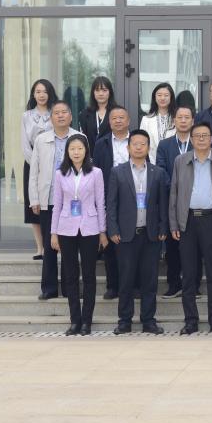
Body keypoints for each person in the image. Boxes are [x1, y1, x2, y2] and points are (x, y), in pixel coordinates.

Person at [170, 121, 212, 336]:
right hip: (187, 221)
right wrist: (174, 223)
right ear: (191, 138)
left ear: (211, 138)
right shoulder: (181, 161)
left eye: (205, 135)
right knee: (188, 274)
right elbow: (174, 194)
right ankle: (191, 320)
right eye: (197, 135)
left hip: (211, 220)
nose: (200, 139)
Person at [105, 129, 169, 335]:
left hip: (151, 235)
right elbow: (111, 204)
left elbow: (163, 203)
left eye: (143, 144)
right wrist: (112, 229)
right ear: (128, 147)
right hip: (125, 235)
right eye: (135, 144)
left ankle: (148, 320)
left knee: (149, 281)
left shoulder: (158, 172)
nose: (139, 147)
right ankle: (124, 321)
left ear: (148, 148)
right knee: (126, 280)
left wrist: (163, 227)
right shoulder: (118, 172)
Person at [49, 134, 107, 336]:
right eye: (72, 149)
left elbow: (100, 203)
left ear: (86, 151)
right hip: (66, 228)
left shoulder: (96, 173)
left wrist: (102, 231)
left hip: (90, 228)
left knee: (89, 276)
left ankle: (86, 321)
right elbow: (57, 205)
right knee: (71, 276)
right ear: (67, 151)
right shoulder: (60, 174)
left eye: (80, 148)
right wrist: (53, 233)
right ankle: (75, 320)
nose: (76, 152)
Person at [29, 100, 79, 300]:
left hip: (72, 201)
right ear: (51, 118)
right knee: (50, 247)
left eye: (64, 112)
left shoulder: (79, 137)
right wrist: (34, 199)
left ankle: (70, 288)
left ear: (71, 116)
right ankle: (49, 289)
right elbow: (34, 171)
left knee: (70, 246)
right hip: (48, 200)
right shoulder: (41, 140)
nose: (60, 115)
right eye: (56, 113)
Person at [91, 105, 132, 299]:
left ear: (128, 120)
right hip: (109, 194)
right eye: (114, 118)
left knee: (132, 243)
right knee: (110, 243)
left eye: (121, 117)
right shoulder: (102, 143)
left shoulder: (137, 140)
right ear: (109, 122)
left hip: (133, 195)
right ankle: (112, 286)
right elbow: (96, 171)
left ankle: (133, 285)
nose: (118, 121)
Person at [155, 105, 195, 299]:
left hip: (194, 201)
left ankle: (194, 285)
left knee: (194, 246)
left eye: (187, 117)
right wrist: (177, 188)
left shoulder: (198, 143)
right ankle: (174, 284)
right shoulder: (165, 145)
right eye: (180, 117)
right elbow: (161, 170)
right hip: (171, 200)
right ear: (174, 121)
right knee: (172, 245)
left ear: (192, 121)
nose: (183, 120)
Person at [21, 79, 58, 260]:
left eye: (44, 91)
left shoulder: (56, 112)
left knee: (52, 205)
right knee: (34, 206)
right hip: (32, 165)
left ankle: (55, 245)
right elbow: (24, 144)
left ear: (50, 94)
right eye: (38, 92)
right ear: (33, 95)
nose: (41, 95)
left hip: (54, 165)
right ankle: (40, 248)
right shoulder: (26, 116)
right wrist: (36, 163)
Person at [140, 82, 176, 164]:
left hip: (173, 162)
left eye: (166, 95)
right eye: (159, 95)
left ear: (171, 97)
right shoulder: (146, 120)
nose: (162, 98)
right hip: (152, 162)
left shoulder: (176, 119)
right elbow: (142, 142)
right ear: (154, 97)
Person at [78, 76, 116, 148]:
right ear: (93, 93)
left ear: (110, 92)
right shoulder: (85, 114)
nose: (101, 94)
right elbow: (82, 138)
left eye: (104, 90)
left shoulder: (117, 112)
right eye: (97, 90)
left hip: (111, 153)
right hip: (91, 153)